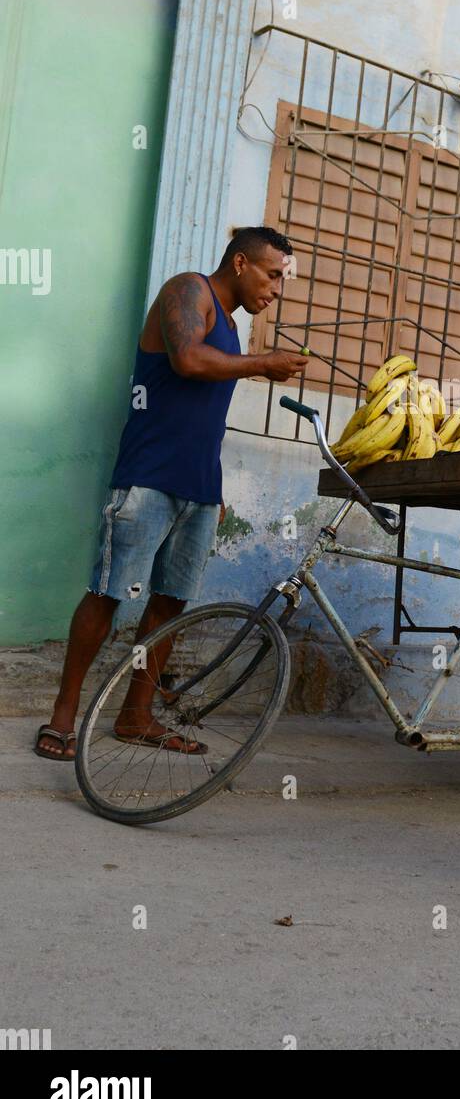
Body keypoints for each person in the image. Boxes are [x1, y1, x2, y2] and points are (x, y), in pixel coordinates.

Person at [35, 227, 309, 761]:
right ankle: (63, 716)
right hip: (148, 476)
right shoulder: (188, 290)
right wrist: (263, 364)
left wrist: (213, 486)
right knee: (108, 592)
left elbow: (204, 416)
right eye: (273, 274)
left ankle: (136, 715)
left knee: (170, 604)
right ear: (239, 264)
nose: (277, 289)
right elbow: (187, 360)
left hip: (198, 486)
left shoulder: (231, 325)